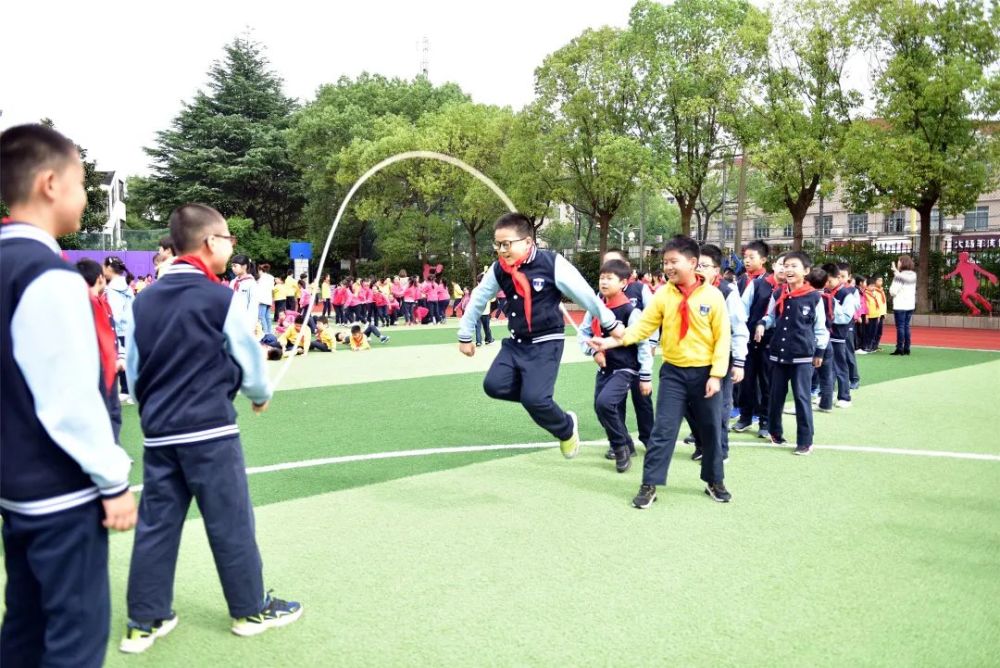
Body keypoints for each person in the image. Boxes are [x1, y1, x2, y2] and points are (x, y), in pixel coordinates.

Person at [121, 203, 301, 653]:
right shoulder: (221, 298)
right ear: (209, 243)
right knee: (231, 521)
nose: (230, 247)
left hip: (159, 433)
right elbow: (247, 357)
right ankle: (249, 610)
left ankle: (145, 620)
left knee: (157, 525)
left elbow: (137, 376)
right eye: (228, 239)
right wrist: (260, 394)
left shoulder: (142, 302)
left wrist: (155, 408)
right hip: (210, 432)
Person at [1, 123, 137, 668]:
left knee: (24, 628)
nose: (87, 196)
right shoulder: (49, 278)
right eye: (83, 182)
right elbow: (70, 400)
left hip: (14, 491)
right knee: (74, 639)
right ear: (51, 183)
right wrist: (113, 479)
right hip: (60, 493)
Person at [458, 212, 624, 457]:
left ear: (527, 241)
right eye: (497, 244)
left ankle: (566, 428)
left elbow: (585, 295)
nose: (501, 250)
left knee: (535, 399)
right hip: (516, 343)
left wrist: (611, 323)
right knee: (494, 386)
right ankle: (538, 401)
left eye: (507, 244)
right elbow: (479, 297)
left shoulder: (551, 263)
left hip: (546, 343)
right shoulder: (499, 269)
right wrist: (465, 334)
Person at [590, 235, 731, 508]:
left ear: (692, 263)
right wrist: (610, 341)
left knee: (711, 429)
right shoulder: (663, 294)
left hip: (705, 375)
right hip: (674, 374)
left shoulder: (713, 296)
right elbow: (643, 327)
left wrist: (716, 375)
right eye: (665, 262)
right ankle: (649, 484)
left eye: (673, 262)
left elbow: (722, 338)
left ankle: (714, 481)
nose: (668, 267)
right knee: (663, 431)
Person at [577, 259, 654, 473]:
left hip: (626, 369)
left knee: (604, 403)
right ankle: (625, 443)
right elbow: (583, 334)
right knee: (600, 408)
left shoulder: (630, 311)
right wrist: (594, 351)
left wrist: (646, 375)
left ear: (623, 283)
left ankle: (620, 446)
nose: (604, 282)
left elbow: (643, 344)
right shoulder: (595, 307)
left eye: (609, 278)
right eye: (602, 277)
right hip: (604, 369)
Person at [754, 251, 829, 455]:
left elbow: (821, 328)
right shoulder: (778, 293)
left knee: (802, 397)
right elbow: (770, 316)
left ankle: (805, 441)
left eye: (794, 266)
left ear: (805, 271)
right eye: (786, 266)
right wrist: (762, 323)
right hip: (778, 354)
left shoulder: (814, 297)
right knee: (776, 396)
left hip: (803, 356)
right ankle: (775, 432)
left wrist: (819, 352)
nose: (788, 270)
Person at [690, 244, 748, 463]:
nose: (698, 269)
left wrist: (739, 361)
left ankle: (720, 449)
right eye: (696, 264)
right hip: (691, 357)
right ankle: (701, 443)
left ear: (717, 270)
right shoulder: (686, 289)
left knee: (719, 405)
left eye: (704, 265)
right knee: (688, 404)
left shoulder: (726, 292)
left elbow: (739, 329)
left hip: (720, 358)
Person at [600, 249, 655, 461]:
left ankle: (649, 439)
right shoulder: (602, 296)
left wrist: (651, 343)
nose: (608, 269)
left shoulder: (640, 289)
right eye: (605, 265)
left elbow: (652, 318)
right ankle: (621, 442)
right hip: (615, 358)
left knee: (642, 399)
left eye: (614, 263)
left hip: (638, 354)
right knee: (616, 401)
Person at [734, 240, 779, 439]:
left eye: (752, 257)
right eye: (745, 257)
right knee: (746, 380)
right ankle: (745, 416)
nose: (747, 261)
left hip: (769, 340)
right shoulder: (744, 280)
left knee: (767, 382)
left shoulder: (775, 285)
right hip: (748, 337)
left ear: (764, 260)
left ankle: (765, 420)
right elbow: (741, 310)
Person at [821, 262, 859, 408]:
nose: (827, 284)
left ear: (838, 278)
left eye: (829, 281)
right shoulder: (825, 291)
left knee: (840, 366)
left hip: (838, 336)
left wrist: (832, 306)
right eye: (825, 281)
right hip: (825, 336)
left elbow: (845, 318)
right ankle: (825, 396)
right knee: (825, 368)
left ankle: (844, 396)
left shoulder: (846, 294)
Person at [104, 255, 135, 403]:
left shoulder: (112, 289)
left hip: (120, 328)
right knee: (128, 357)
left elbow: (114, 313)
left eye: (104, 267)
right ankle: (128, 389)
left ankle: (125, 390)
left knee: (122, 357)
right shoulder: (126, 286)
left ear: (109, 268)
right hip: (130, 326)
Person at [889, 255, 917, 355]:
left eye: (899, 261)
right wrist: (896, 271)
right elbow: (902, 277)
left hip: (900, 305)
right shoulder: (913, 274)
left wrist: (896, 272)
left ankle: (899, 348)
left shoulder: (899, 276)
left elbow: (893, 291)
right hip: (910, 304)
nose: (898, 263)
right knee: (906, 326)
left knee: (900, 327)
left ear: (902, 263)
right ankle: (907, 348)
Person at [230, 254, 258, 334]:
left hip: (244, 321)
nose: (233, 268)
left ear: (244, 266)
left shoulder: (251, 283)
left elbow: (253, 306)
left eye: (235, 266)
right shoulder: (233, 282)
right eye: (232, 266)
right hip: (232, 320)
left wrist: (250, 326)